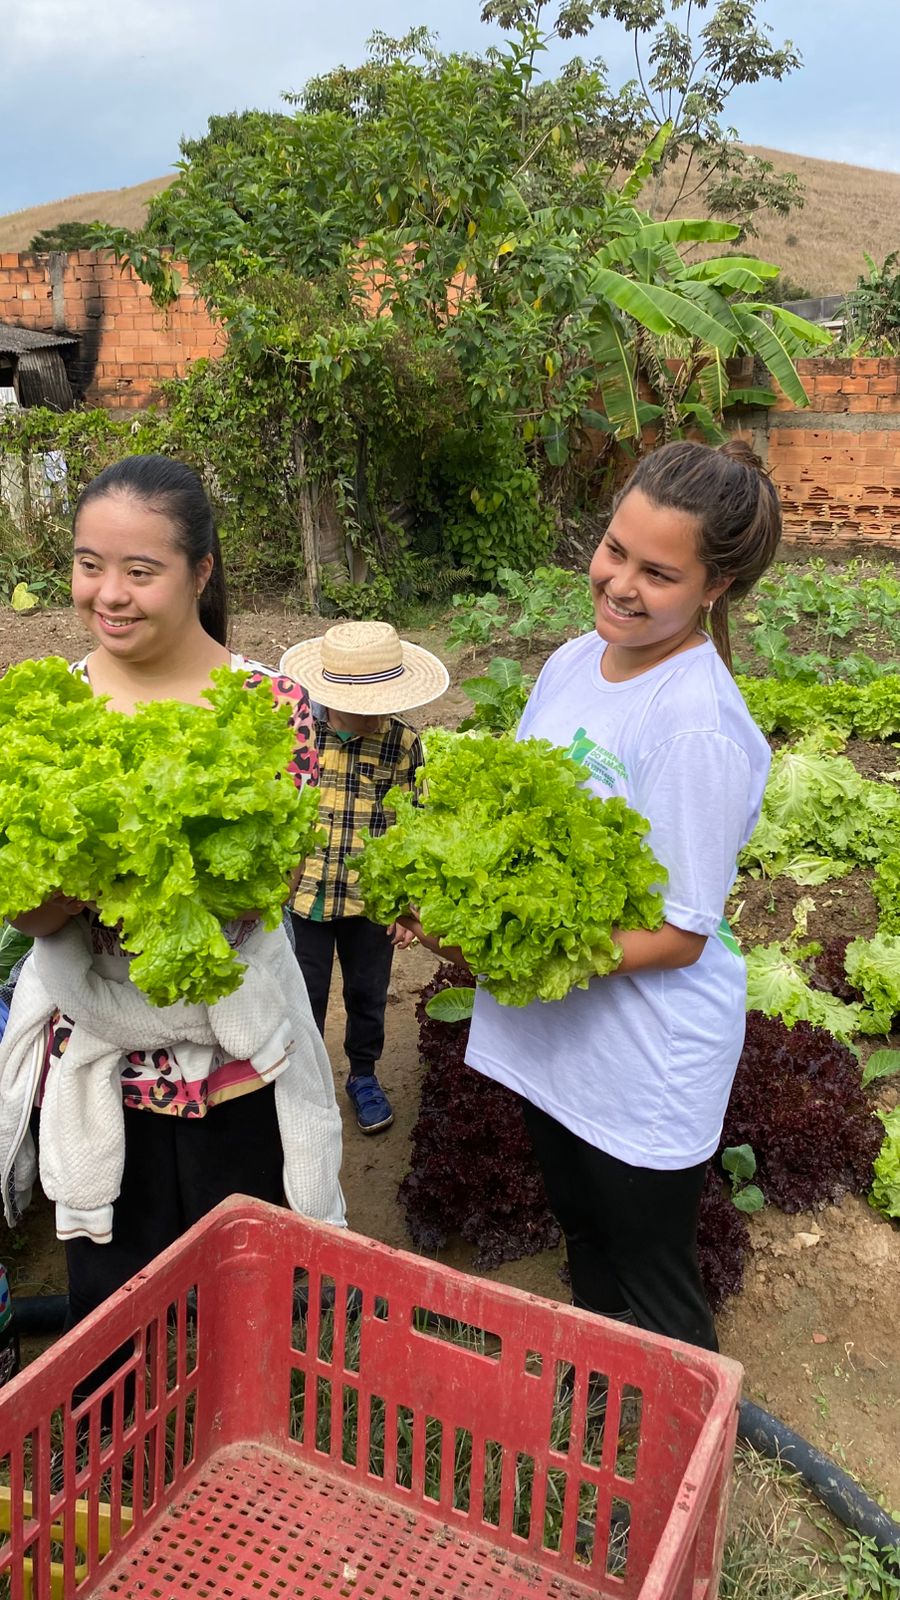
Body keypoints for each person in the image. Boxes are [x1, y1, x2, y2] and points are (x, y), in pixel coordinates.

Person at [404, 439, 781, 1351]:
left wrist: (514, 952)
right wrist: (460, 897)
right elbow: (523, 818)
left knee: (652, 1276)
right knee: (583, 1232)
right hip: (561, 1036)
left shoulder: (698, 726)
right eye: (616, 549)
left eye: (659, 572)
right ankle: (606, 1384)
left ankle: (673, 1447)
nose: (620, 582)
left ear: (713, 588)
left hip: (644, 1057)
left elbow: (682, 932)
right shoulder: (576, 660)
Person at [0, 454, 345, 1332]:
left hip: (234, 1071)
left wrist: (103, 870)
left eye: (139, 571)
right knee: (114, 1320)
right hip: (104, 1076)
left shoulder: (273, 708)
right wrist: (75, 883)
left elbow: (251, 892)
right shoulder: (48, 707)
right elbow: (26, 907)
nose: (107, 593)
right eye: (88, 564)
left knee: (245, 1307)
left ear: (201, 571)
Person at [280, 621, 449, 1134]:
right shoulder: (298, 734)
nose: (378, 713)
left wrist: (407, 901)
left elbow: (413, 827)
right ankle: (300, 1086)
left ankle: (363, 1075)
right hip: (302, 895)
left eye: (385, 701)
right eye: (367, 703)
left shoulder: (402, 744)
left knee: (368, 993)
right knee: (300, 995)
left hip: (369, 902)